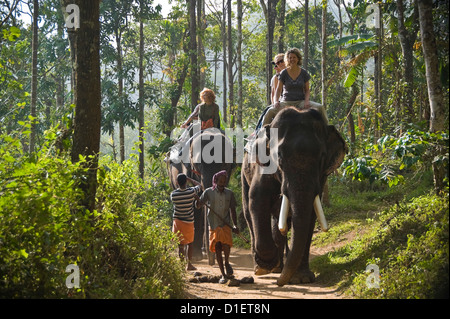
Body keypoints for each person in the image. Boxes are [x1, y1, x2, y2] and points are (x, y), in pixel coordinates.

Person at [262, 48, 328, 126]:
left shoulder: (304, 73)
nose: (292, 59)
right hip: (286, 102)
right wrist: (276, 101)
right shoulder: (284, 73)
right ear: (287, 59)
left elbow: (307, 90)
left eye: (294, 57)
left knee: (320, 107)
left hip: (300, 102)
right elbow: (278, 90)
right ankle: (265, 133)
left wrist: (306, 101)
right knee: (270, 111)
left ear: (298, 59)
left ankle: (327, 129)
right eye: (290, 58)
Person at [196, 170, 239, 284]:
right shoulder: (208, 192)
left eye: (224, 181)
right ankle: (223, 274)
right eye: (220, 181)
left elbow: (233, 210)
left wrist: (235, 225)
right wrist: (197, 201)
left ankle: (227, 262)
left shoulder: (229, 193)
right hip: (214, 224)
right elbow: (199, 205)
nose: (222, 183)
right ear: (215, 181)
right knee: (218, 248)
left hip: (225, 224)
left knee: (226, 246)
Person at [170, 173, 202, 271]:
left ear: (177, 183)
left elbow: (175, 196)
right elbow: (200, 185)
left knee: (180, 244)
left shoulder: (173, 195)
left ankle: (181, 265)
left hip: (178, 221)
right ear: (186, 182)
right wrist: (191, 180)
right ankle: (189, 265)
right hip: (188, 221)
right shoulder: (191, 192)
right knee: (190, 243)